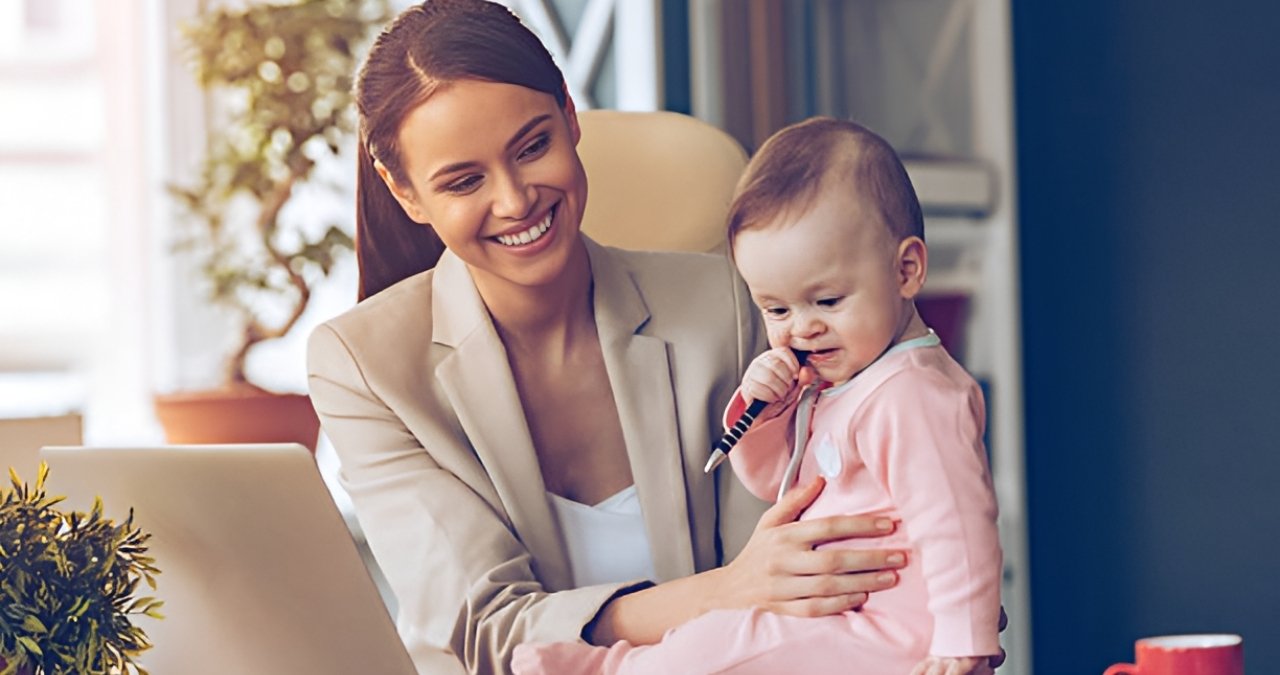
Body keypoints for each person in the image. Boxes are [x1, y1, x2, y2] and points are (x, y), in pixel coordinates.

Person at [306, 2, 917, 673]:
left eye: (532, 146)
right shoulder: (363, 365)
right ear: (408, 194)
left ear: (570, 118)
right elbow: (493, 627)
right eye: (464, 181)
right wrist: (723, 588)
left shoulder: (728, 305)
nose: (514, 200)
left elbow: (794, 570)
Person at [512, 118, 1003, 675]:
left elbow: (958, 523)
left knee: (735, 644)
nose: (801, 328)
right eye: (777, 310)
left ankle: (610, 671)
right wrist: (768, 414)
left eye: (827, 300)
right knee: (724, 634)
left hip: (886, 632)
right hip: (833, 614)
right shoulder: (840, 385)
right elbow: (773, 481)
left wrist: (964, 644)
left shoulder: (911, 394)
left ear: (906, 270)